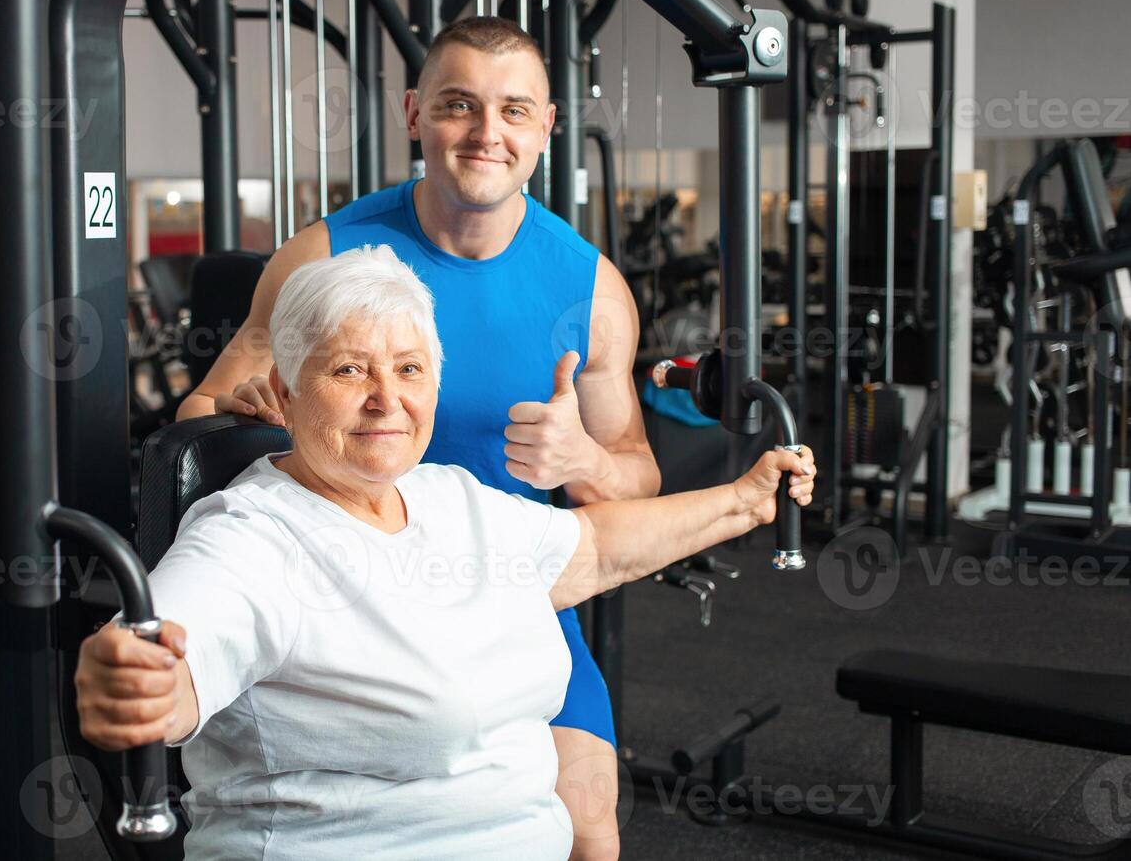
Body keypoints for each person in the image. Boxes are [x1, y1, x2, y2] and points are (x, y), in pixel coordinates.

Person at [80, 247, 813, 860]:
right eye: (348, 371)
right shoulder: (250, 535)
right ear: (284, 387)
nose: (385, 399)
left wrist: (746, 501)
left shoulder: (447, 496)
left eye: (408, 370)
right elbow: (177, 649)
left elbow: (592, 547)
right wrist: (140, 683)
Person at [176, 16, 654, 857]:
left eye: (513, 111)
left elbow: (638, 479)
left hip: (516, 595)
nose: (485, 134)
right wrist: (246, 405)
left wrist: (582, 461)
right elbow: (196, 418)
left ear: (547, 127)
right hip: (350, 597)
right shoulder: (322, 255)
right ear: (413, 115)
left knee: (586, 826)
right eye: (458, 105)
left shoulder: (591, 288)